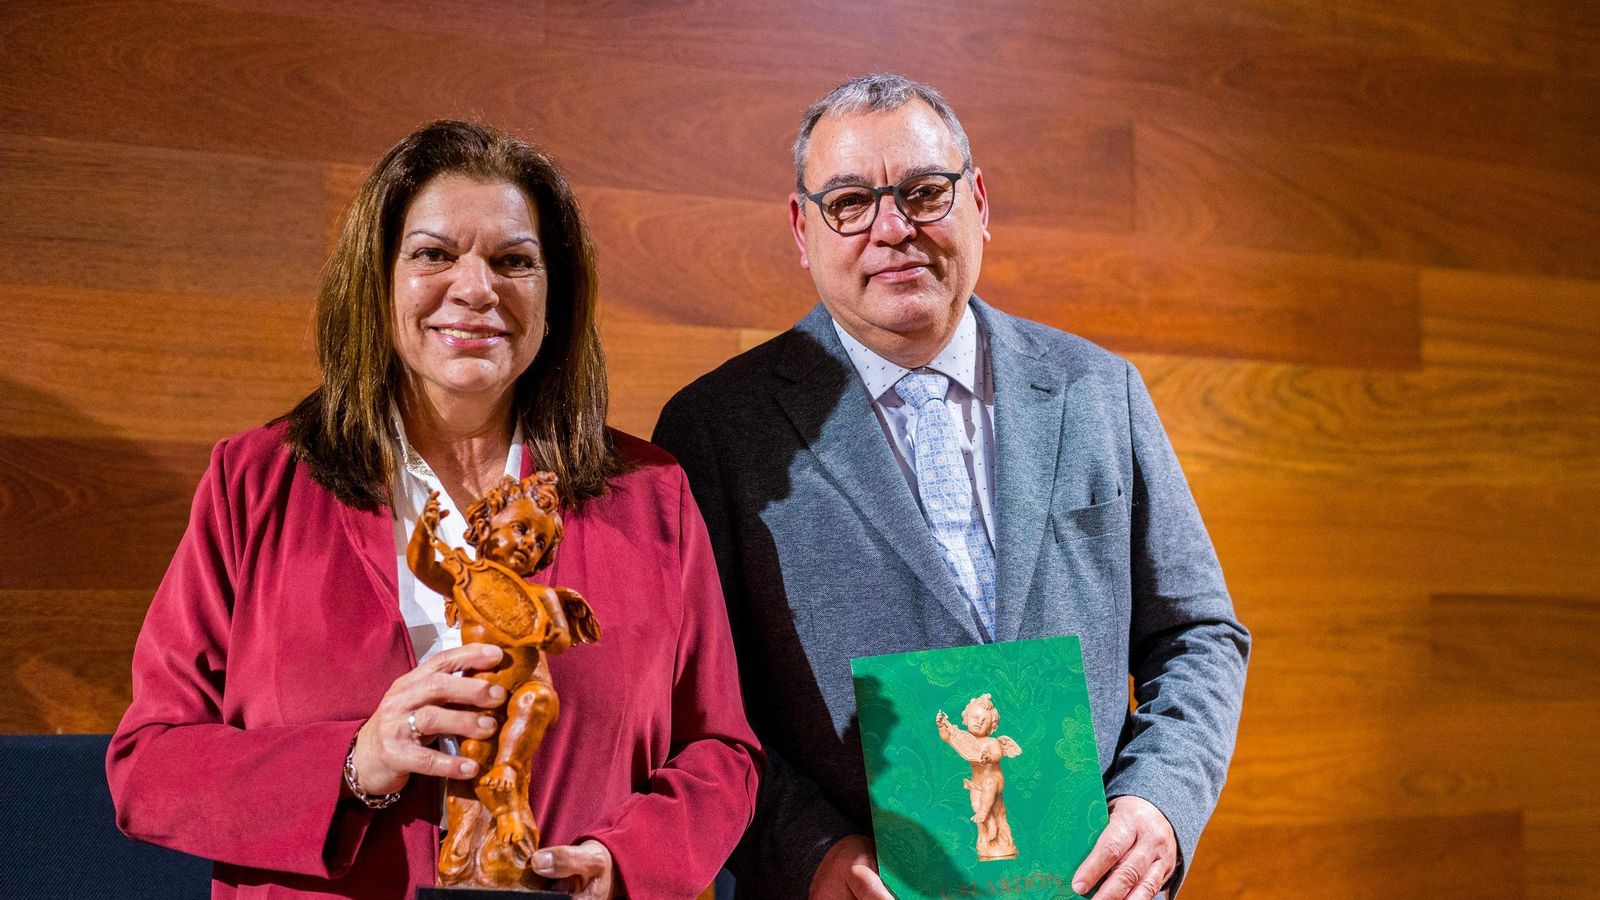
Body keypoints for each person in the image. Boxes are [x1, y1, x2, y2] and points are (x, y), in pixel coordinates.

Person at [108, 120, 760, 900]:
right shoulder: (253, 482)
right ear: (377, 280)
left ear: (555, 299)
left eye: (514, 261)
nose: (476, 289)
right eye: (434, 255)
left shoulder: (650, 492)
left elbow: (720, 752)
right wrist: (357, 761)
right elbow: (149, 765)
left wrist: (625, 864)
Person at [652, 74, 1248, 900]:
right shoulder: (715, 430)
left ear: (979, 201)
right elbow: (699, 708)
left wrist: (1161, 802)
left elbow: (1198, 635)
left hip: (1083, 883)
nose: (893, 229)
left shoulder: (1099, 391)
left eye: (925, 193)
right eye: (851, 202)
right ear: (802, 227)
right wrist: (810, 855)